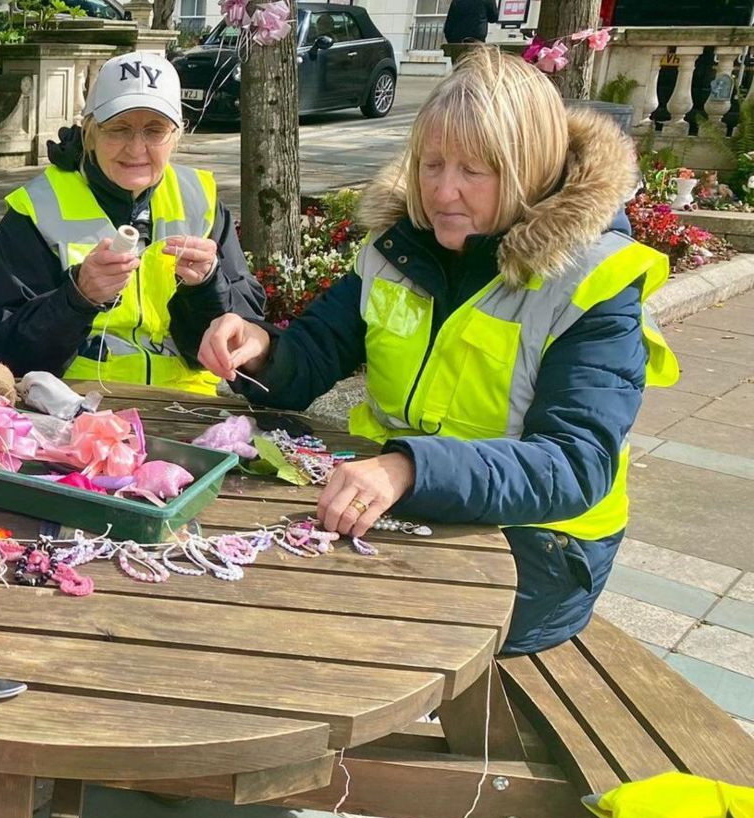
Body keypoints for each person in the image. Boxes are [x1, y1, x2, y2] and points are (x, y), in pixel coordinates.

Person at [196, 48, 680, 654]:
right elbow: (314, 354)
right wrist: (262, 350)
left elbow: (574, 466)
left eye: (474, 171)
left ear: (529, 170)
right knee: (243, 587)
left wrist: (411, 468)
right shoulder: (399, 247)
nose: (443, 191)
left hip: (540, 544)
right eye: (431, 165)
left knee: (326, 631)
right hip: (408, 505)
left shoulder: (594, 282)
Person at [0, 51, 266, 395]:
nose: (136, 149)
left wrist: (208, 285)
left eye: (154, 130)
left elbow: (247, 329)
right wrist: (78, 297)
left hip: (189, 405)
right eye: (118, 129)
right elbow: (5, 353)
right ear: (90, 130)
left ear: (176, 134)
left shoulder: (200, 200)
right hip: (73, 405)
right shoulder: (36, 209)